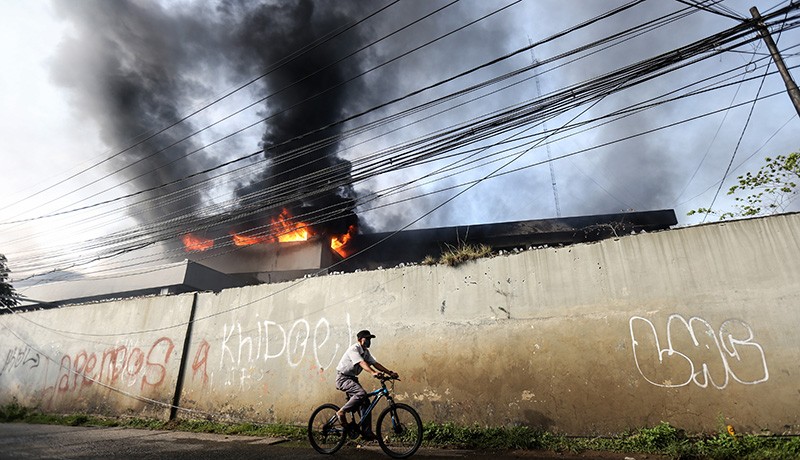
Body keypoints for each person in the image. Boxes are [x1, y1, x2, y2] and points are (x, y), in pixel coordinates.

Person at [335, 329, 398, 440]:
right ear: (360, 340)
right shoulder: (354, 349)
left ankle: (366, 432)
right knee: (361, 393)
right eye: (367, 339)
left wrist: (390, 373)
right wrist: (373, 372)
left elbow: (375, 363)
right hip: (343, 378)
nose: (369, 341)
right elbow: (361, 363)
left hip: (352, 379)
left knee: (365, 402)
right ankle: (341, 412)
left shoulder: (365, 352)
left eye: (370, 339)